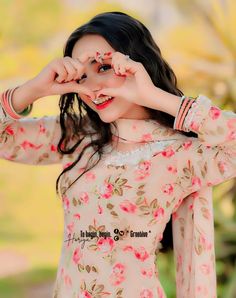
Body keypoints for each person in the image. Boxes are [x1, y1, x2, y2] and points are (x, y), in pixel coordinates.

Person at [0, 11, 235, 298]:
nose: (92, 88)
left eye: (103, 67)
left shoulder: (180, 154)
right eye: (82, 76)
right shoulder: (80, 135)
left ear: (138, 63)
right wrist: (35, 88)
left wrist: (151, 95)